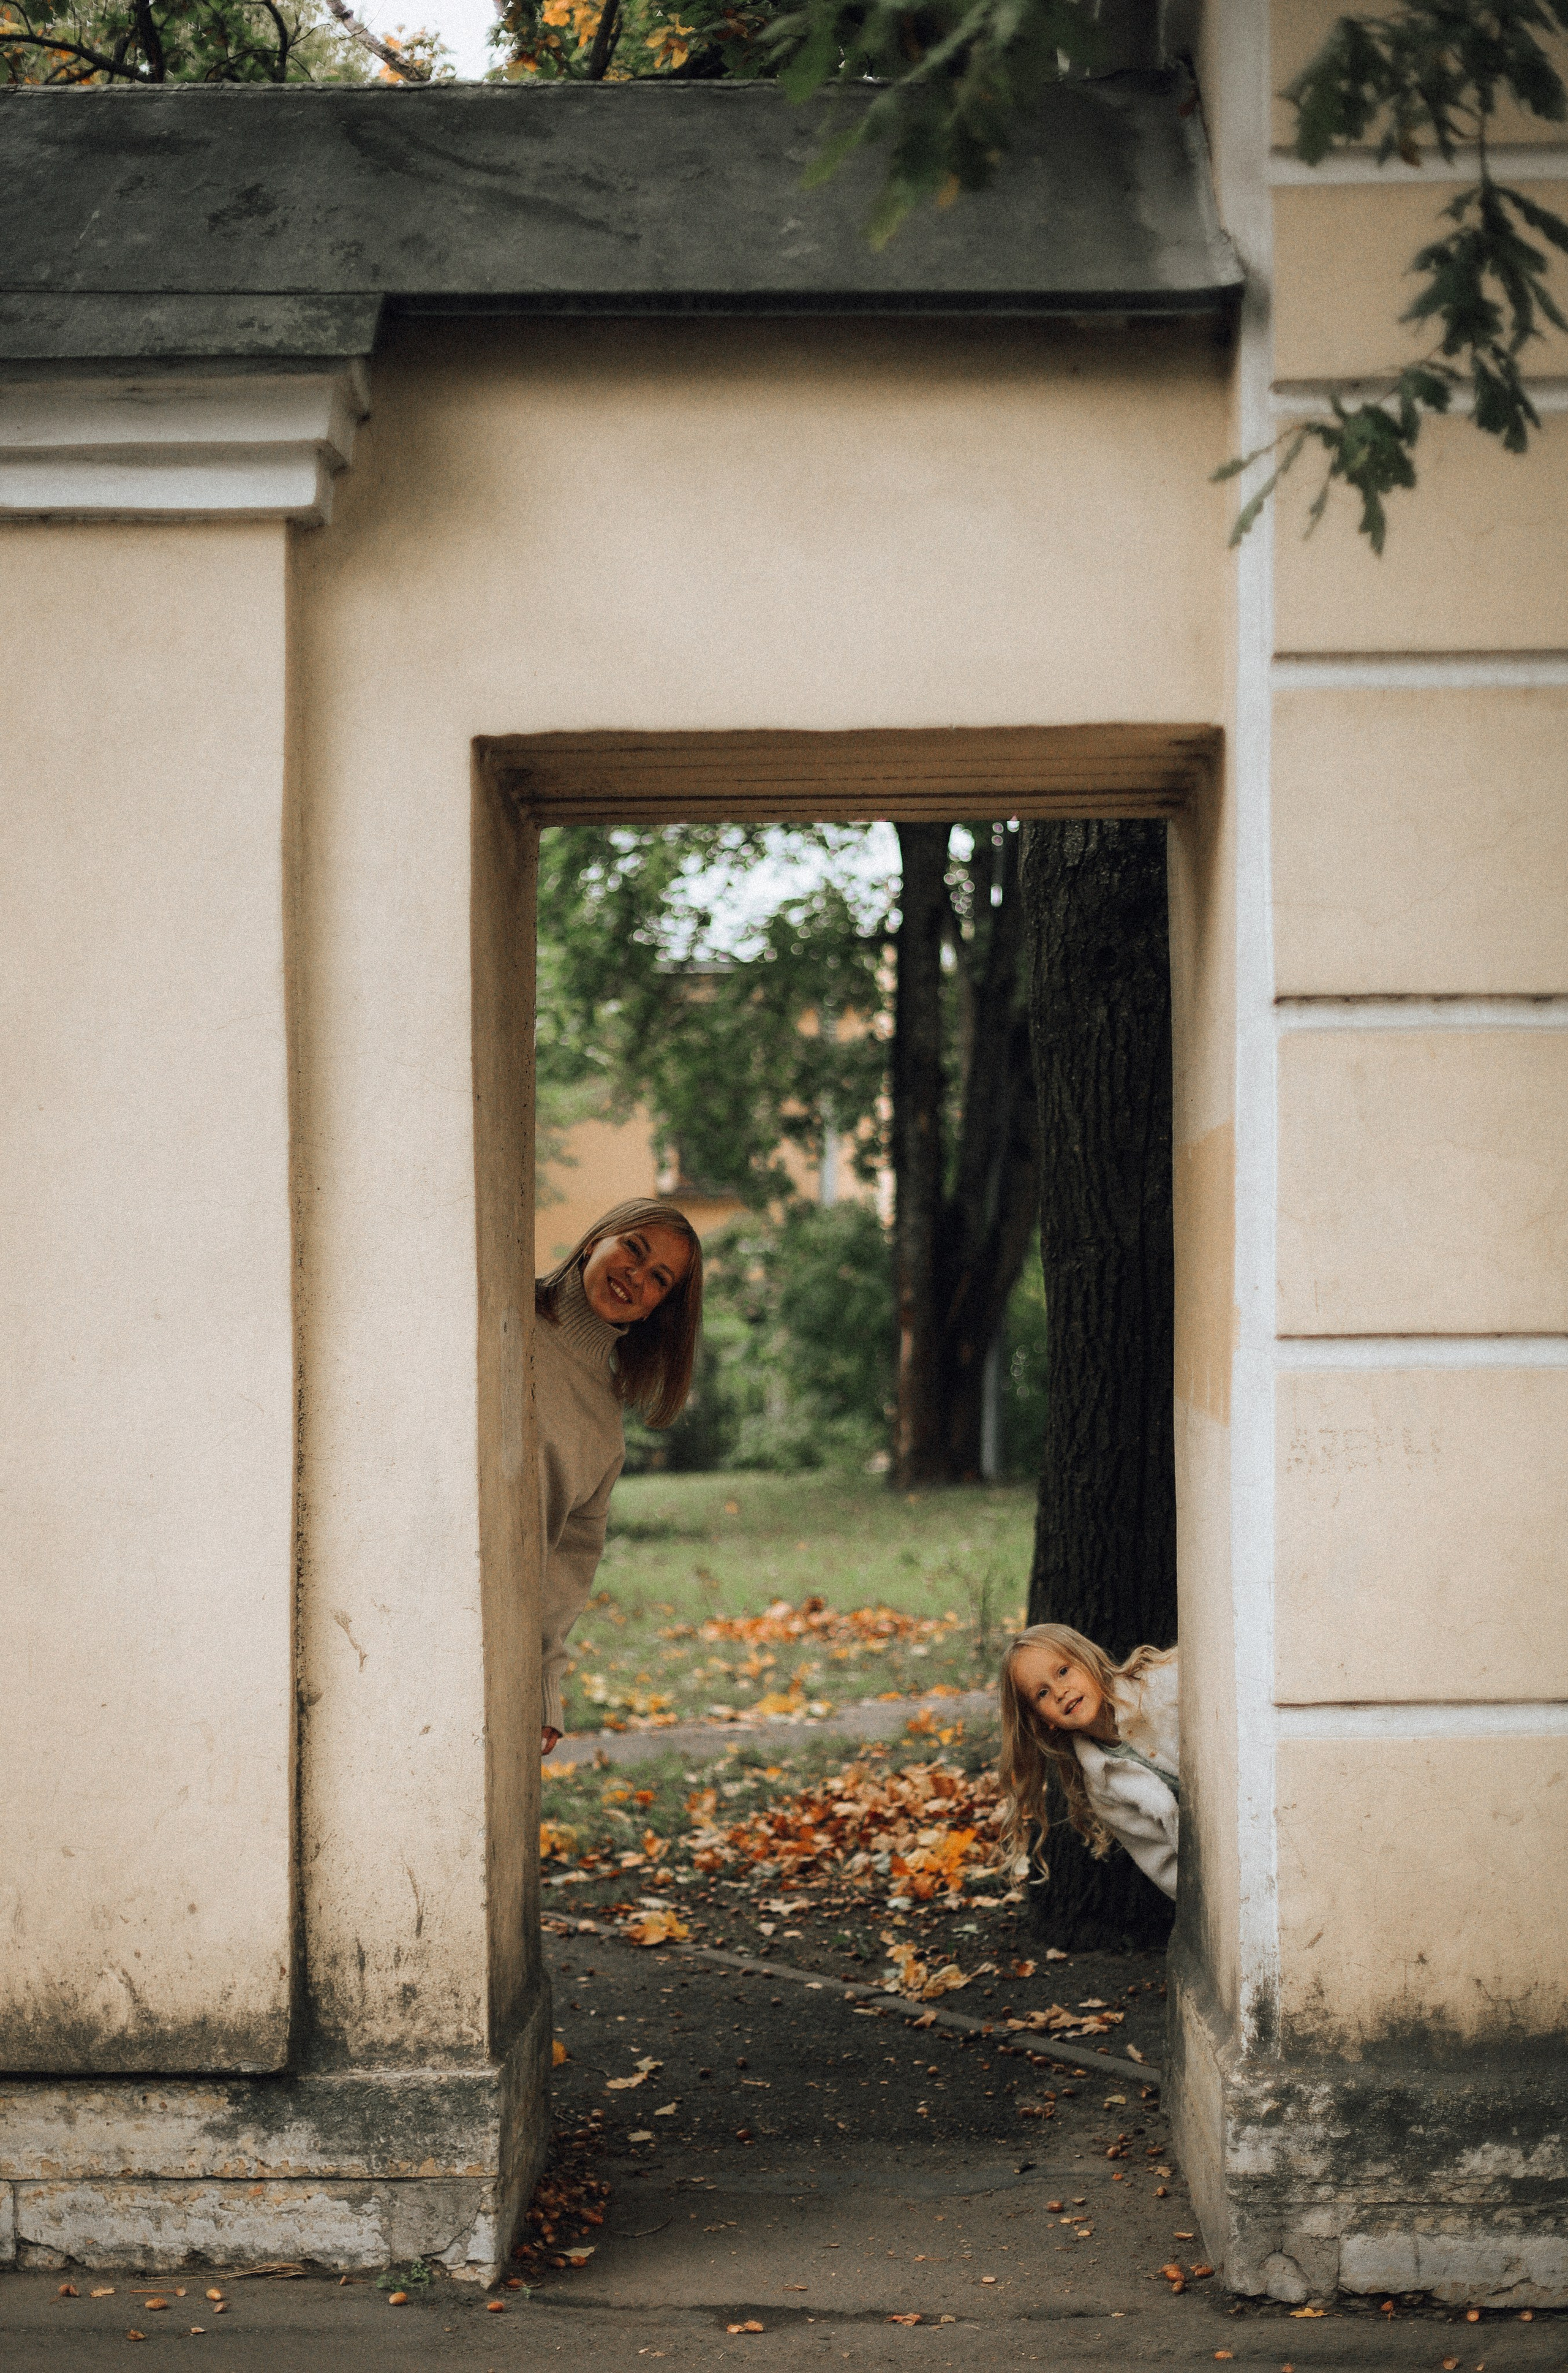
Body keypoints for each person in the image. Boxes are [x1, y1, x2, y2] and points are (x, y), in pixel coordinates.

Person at [535, 1198, 703, 1757]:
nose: (636, 1275)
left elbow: (565, 1565)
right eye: (634, 1248)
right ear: (595, 1240)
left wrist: (542, 1690)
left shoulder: (605, 1424)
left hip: (489, 1646)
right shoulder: (499, 1312)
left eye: (659, 1279)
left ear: (659, 1308)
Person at [997, 1622, 1180, 1900]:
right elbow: (1167, 1868)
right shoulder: (1103, 1788)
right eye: (1042, 1693)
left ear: (1088, 1660)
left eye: (1063, 1671)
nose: (1060, 1692)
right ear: (1043, 1721)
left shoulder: (1162, 1685)